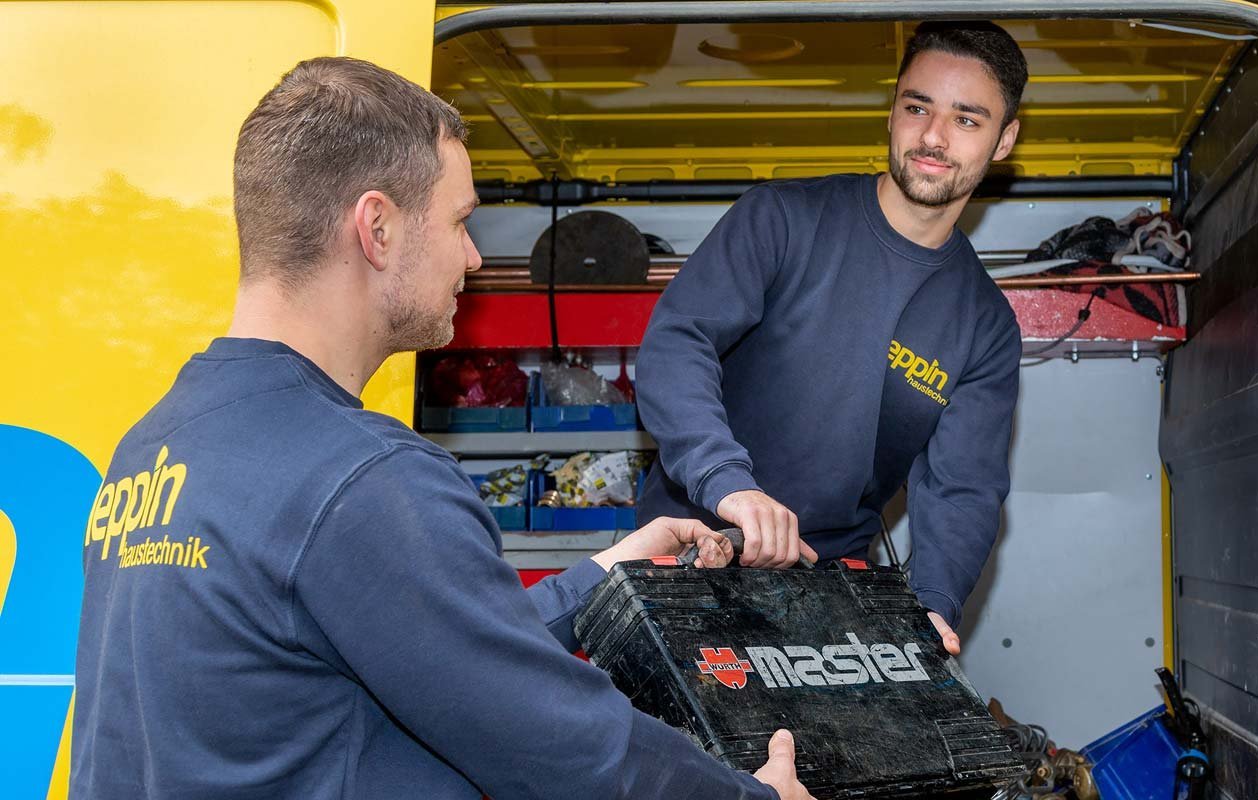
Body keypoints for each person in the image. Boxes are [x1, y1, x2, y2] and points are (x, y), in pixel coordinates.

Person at [71, 56, 812, 800]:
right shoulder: (362, 479)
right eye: (460, 220)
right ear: (378, 228)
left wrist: (606, 577)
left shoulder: (155, 446)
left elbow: (427, 651)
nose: (475, 256)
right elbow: (567, 747)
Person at [636, 21, 1027, 654]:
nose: (932, 136)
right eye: (917, 107)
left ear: (1004, 139)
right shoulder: (782, 220)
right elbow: (680, 342)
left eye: (966, 120)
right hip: (690, 547)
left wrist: (931, 605)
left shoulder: (983, 324)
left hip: (828, 588)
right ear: (893, 109)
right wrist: (728, 484)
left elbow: (965, 486)